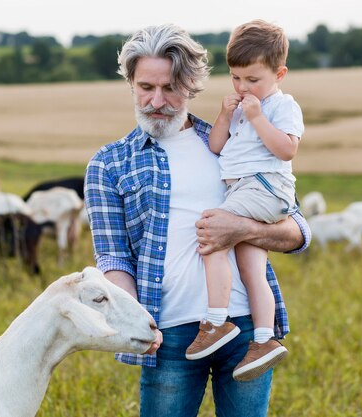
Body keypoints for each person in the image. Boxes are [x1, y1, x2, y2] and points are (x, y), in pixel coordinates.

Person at [84, 24, 310, 417]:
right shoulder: (108, 164)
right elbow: (113, 258)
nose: (157, 100)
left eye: (170, 87)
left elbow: (297, 231)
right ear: (131, 85)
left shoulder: (230, 143)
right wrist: (136, 320)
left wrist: (244, 230)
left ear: (191, 85)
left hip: (245, 331)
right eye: (145, 87)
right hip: (167, 334)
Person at [185, 20, 304, 382]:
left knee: (213, 232)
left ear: (279, 73)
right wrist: (226, 114)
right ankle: (265, 339)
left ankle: (216, 322)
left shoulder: (282, 106)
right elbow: (217, 146)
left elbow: (286, 149)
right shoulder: (239, 108)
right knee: (252, 268)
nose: (243, 86)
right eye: (236, 78)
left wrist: (256, 116)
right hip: (245, 190)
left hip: (264, 187)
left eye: (253, 79)